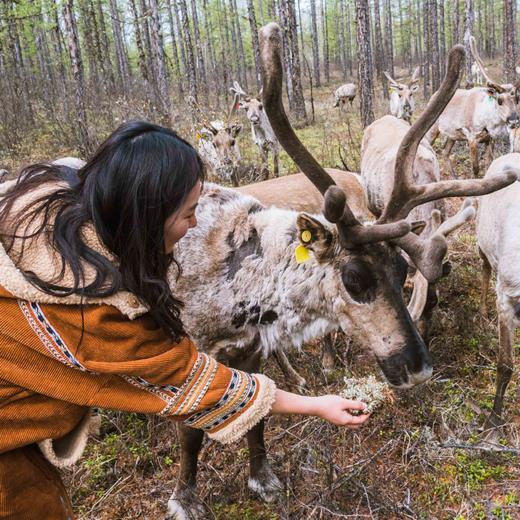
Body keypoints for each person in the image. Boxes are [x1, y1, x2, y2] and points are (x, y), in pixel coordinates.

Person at [0, 121, 369, 519]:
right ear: (147, 213)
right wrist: (317, 406)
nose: (194, 225)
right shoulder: (91, 317)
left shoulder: (53, 203)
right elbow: (193, 384)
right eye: (188, 212)